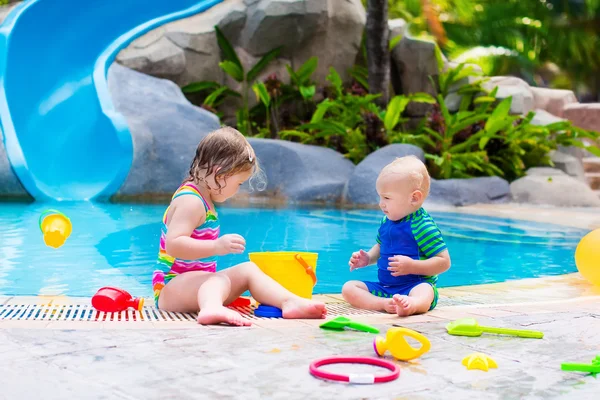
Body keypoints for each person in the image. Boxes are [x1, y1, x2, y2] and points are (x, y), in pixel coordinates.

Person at [152, 127, 327, 326]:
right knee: (218, 280)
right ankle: (211, 308)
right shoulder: (191, 202)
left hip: (198, 286)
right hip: (171, 288)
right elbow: (174, 245)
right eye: (239, 183)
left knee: (248, 270)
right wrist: (217, 246)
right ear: (220, 174)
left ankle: (288, 301)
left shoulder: (204, 200)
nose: (237, 190)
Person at [342, 156, 451, 317]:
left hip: (414, 286)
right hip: (385, 288)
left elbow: (444, 262)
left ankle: (411, 305)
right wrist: (368, 258)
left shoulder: (423, 226)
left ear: (414, 198)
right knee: (349, 288)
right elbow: (380, 246)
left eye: (386, 198)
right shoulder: (387, 221)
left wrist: (412, 266)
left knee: (426, 291)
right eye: (380, 196)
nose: (381, 203)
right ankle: (383, 304)